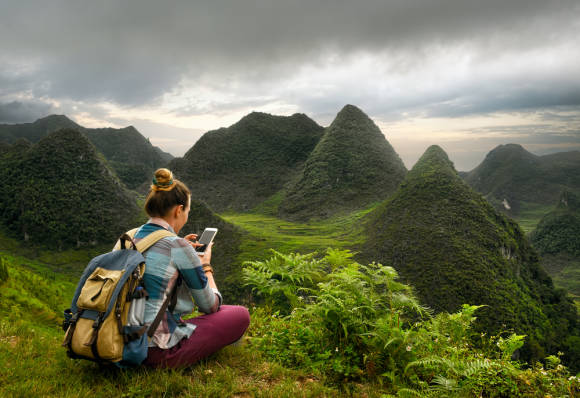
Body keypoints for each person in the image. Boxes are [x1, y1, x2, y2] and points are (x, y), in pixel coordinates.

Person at [131, 168, 250, 368]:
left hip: (120, 343)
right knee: (239, 314)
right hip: (157, 352)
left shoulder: (129, 237)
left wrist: (181, 249)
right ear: (179, 210)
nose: (186, 215)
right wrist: (204, 265)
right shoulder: (177, 246)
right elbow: (209, 306)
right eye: (187, 211)